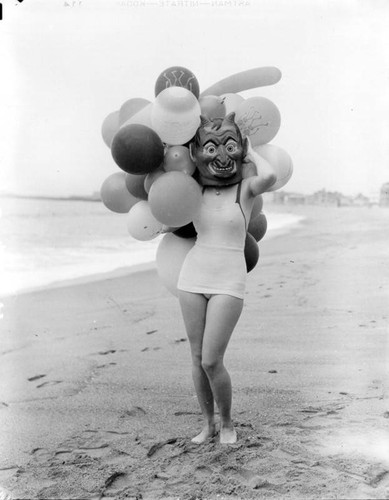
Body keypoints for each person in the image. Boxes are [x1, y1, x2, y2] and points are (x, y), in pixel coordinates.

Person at [177, 113, 276, 444]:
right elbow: (166, 203)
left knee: (211, 359)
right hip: (192, 275)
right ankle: (207, 424)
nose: (221, 155)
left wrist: (248, 152)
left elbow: (272, 175)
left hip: (228, 281)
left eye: (230, 146)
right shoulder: (193, 190)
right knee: (195, 357)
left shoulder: (245, 190)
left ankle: (229, 423)